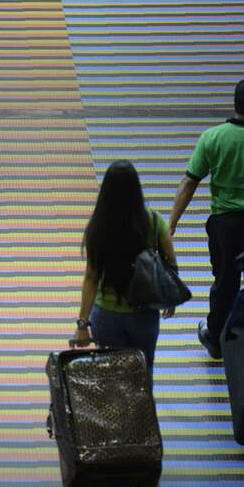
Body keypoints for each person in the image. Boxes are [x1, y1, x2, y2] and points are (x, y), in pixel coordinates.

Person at [169, 78, 244, 358]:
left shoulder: (212, 137)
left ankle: (216, 338)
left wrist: (172, 223)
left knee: (224, 280)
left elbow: (189, 182)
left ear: (235, 102)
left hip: (223, 224)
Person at [73, 160, 178, 383]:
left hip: (106, 316)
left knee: (112, 377)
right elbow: (171, 261)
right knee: (142, 371)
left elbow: (91, 278)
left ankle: (117, 417)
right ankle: (144, 416)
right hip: (144, 312)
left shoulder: (98, 226)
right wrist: (170, 298)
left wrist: (83, 324)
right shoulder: (153, 220)